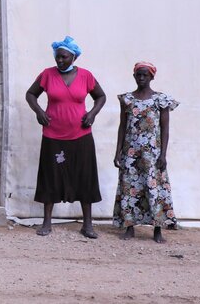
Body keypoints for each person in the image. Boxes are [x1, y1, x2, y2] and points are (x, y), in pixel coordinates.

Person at [25, 36, 106, 239]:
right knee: (50, 176)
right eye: (57, 57)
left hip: (81, 135)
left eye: (63, 57)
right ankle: (46, 222)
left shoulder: (86, 76)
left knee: (84, 177)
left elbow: (101, 96)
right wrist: (38, 111)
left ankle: (87, 224)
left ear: (73, 57)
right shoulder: (47, 75)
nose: (59, 61)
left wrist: (92, 113)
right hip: (53, 134)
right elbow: (30, 94)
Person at [113, 61, 178, 243]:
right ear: (134, 76)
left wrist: (163, 155)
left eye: (145, 75)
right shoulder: (127, 99)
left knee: (154, 189)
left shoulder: (161, 100)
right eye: (138, 75)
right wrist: (118, 151)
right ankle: (129, 227)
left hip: (153, 154)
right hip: (131, 153)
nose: (141, 78)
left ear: (152, 77)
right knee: (129, 188)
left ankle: (158, 229)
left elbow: (165, 129)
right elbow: (122, 126)